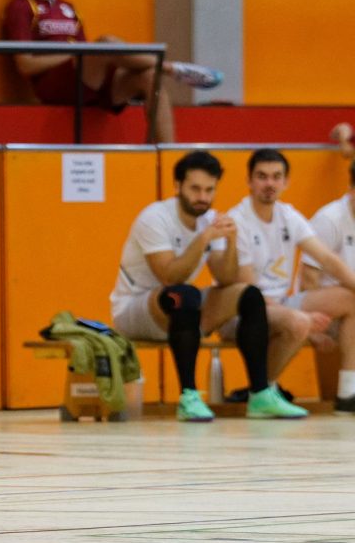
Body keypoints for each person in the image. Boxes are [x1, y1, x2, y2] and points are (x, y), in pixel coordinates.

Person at [110, 150, 306, 421]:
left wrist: (232, 241)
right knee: (183, 295)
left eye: (209, 190)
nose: (202, 197)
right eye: (195, 189)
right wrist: (203, 239)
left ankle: (260, 393)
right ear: (178, 186)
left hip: (181, 309)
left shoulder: (210, 218)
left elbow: (226, 279)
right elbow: (169, 276)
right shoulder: (154, 218)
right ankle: (188, 396)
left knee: (248, 295)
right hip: (135, 309)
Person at [3, 0, 223, 144]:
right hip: (54, 85)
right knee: (106, 43)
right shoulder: (20, 7)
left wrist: (84, 54)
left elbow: (88, 56)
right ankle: (172, 68)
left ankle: (169, 157)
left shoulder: (67, 7)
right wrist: (73, 53)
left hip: (84, 79)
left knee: (149, 78)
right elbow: (25, 65)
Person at [226, 149, 355, 407]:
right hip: (242, 311)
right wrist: (302, 320)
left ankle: (348, 391)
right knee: (297, 322)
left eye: (276, 177)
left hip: (282, 303)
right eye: (262, 176)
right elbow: (249, 292)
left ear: (286, 182)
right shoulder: (237, 221)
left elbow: (327, 258)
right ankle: (262, 390)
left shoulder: (288, 216)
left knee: (350, 298)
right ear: (249, 181)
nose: (270, 184)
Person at [299, 158, 355, 412]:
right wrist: (313, 327)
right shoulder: (330, 219)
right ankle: (348, 391)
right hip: (327, 311)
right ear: (351, 189)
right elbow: (308, 279)